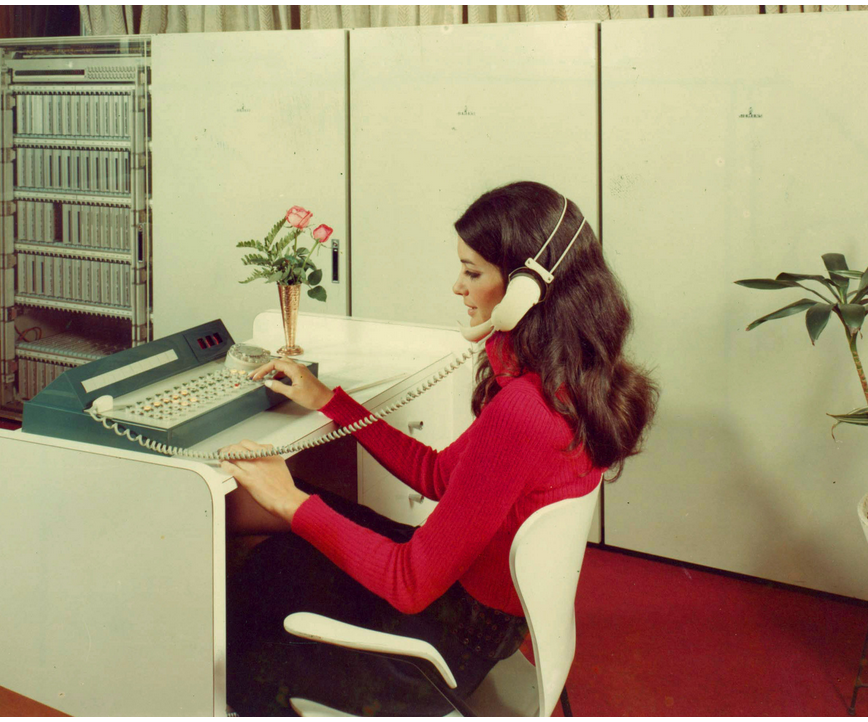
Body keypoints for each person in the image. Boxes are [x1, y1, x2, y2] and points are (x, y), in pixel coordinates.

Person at [220, 180, 659, 716]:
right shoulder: (567, 381)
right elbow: (437, 475)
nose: (458, 287)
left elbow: (408, 583)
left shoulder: (526, 409)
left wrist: (291, 501)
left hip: (442, 650)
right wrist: (330, 402)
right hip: (478, 614)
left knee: (246, 625)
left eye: (472, 272)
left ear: (525, 290)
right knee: (279, 544)